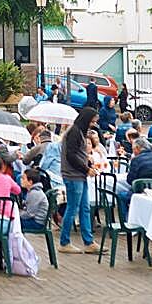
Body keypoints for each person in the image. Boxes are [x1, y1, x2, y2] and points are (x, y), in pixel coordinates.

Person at [56, 106, 99, 255]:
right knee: (73, 208)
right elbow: (72, 156)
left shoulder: (79, 131)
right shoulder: (74, 132)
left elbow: (78, 154)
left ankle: (88, 241)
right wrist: (86, 169)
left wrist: (87, 164)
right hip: (73, 175)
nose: (93, 124)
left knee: (84, 208)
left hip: (79, 175)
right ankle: (64, 241)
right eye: (92, 121)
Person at [19, 167, 50, 232]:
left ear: (30, 182)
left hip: (37, 223)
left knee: (11, 223)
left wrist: (18, 214)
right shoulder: (34, 191)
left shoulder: (34, 193)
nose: (21, 180)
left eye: (23, 178)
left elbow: (30, 214)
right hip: (35, 220)